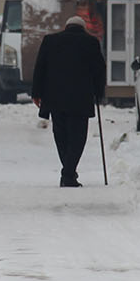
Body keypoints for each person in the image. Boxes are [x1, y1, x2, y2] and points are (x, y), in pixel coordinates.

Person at [30, 15, 106, 187]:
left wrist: (36, 93)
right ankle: (68, 174)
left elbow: (40, 67)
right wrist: (99, 93)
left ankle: (68, 173)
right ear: (82, 28)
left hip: (55, 98)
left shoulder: (50, 41)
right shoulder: (91, 43)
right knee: (78, 137)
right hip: (80, 99)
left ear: (66, 27)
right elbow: (99, 70)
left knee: (61, 136)